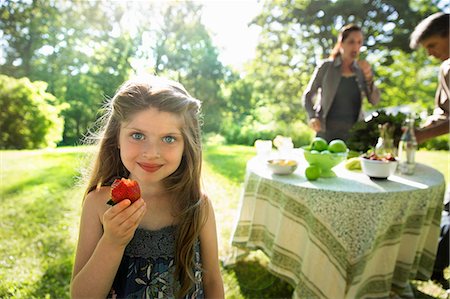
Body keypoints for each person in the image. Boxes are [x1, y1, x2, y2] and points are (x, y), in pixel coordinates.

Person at [70, 75, 224, 298]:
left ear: (187, 145)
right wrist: (113, 242)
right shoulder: (98, 204)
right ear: (117, 138)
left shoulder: (197, 205)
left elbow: (212, 280)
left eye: (169, 138)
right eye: (137, 135)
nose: (152, 152)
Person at [410, 12, 449, 290]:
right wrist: (413, 130)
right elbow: (442, 112)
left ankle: (430, 265)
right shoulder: (445, 68)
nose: (430, 53)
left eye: (432, 46)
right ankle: (432, 266)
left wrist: (422, 135)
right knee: (447, 209)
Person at [302, 24, 380, 143]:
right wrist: (312, 116)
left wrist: (369, 78)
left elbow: (374, 101)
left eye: (359, 42)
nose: (356, 47)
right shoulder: (326, 67)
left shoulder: (362, 71)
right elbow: (307, 96)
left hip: (354, 136)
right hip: (326, 133)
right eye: (351, 42)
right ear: (341, 43)